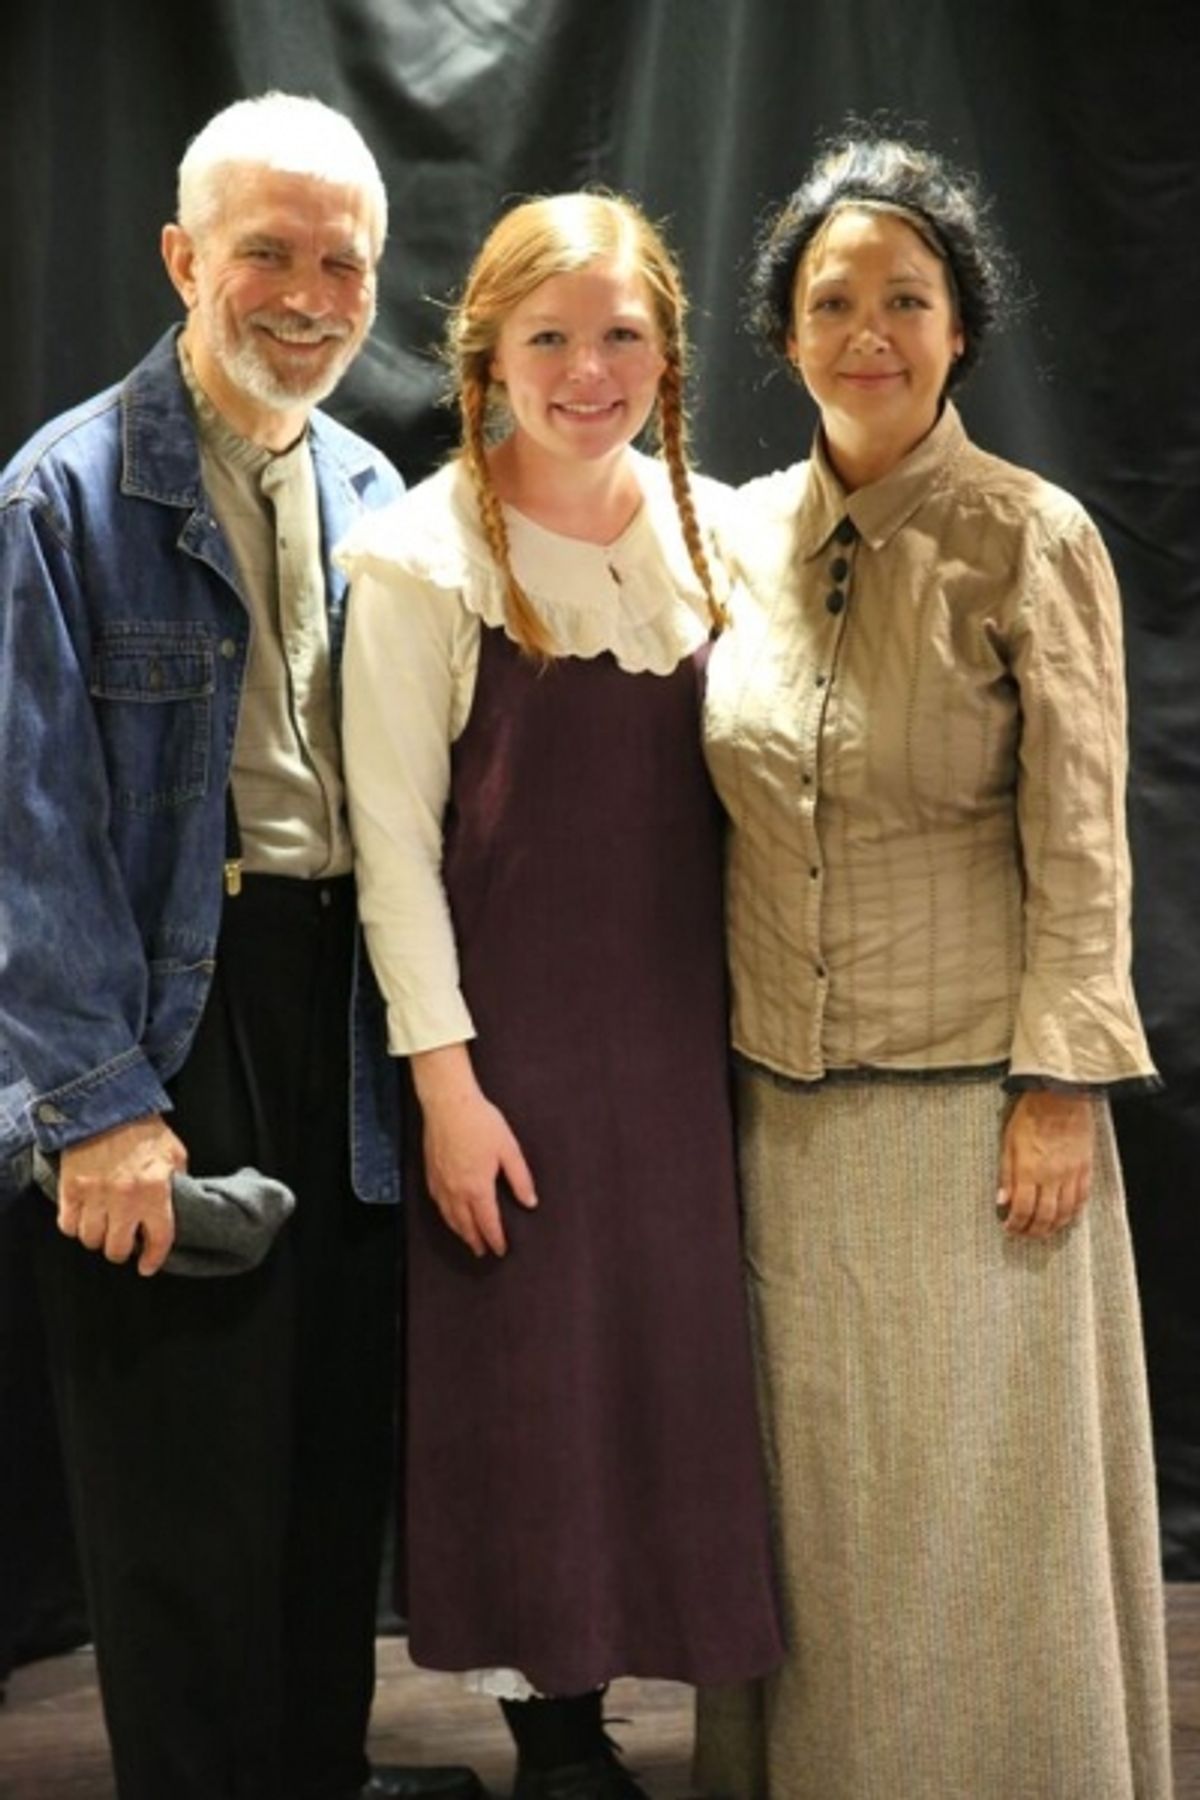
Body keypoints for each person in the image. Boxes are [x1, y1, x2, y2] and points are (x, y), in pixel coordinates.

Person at [0, 92, 482, 1800]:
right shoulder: (60, 496)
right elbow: (24, 827)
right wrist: (96, 1105)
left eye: (342, 260)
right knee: (181, 1482)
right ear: (180, 258)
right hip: (165, 1017)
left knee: (325, 1456)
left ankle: (316, 1773)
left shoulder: (371, 486)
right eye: (266, 252)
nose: (309, 292)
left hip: (337, 1002)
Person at [694, 135, 1174, 1799]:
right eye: (833, 299)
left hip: (978, 1114)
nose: (869, 329)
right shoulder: (728, 537)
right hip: (785, 1116)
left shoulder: (1028, 538)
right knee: (824, 1506)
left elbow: (1089, 841)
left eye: (907, 296)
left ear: (962, 325)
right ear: (785, 332)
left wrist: (1062, 1089)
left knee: (976, 1513)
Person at [336, 191, 784, 1800]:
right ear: (487, 356)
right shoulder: (417, 557)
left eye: (621, 335)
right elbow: (391, 849)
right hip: (509, 1048)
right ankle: (557, 1736)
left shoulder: (722, 535)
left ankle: (681, 1697)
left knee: (665, 1367)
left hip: (680, 1037)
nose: (588, 370)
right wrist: (446, 1091)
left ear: (665, 352)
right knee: (530, 1384)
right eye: (550, 337)